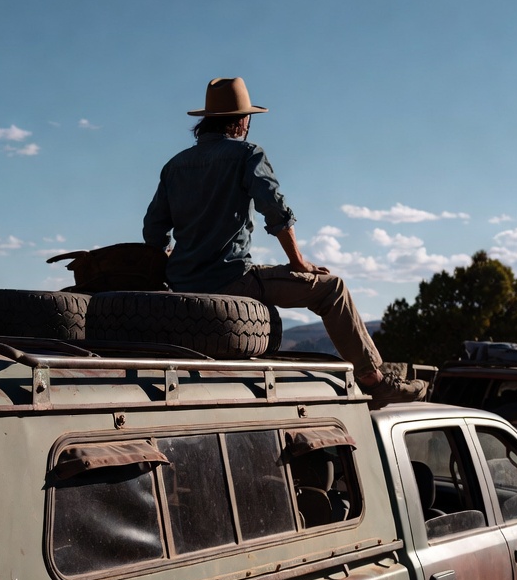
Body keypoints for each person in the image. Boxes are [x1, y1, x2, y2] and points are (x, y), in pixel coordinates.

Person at [142, 77, 425, 409]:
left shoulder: (174, 166)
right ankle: (374, 381)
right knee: (331, 288)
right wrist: (298, 262)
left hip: (183, 284)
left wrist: (174, 265)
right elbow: (274, 210)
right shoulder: (247, 154)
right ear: (241, 120)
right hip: (232, 280)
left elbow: (153, 230)